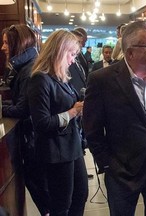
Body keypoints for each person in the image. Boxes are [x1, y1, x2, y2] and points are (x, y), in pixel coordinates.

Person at [83, 21, 146, 216]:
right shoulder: (102, 79)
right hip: (122, 173)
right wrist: (108, 164)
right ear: (130, 53)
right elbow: (92, 130)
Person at [28, 29, 89, 216]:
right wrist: (72, 112)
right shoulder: (40, 79)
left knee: (80, 195)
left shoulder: (61, 78)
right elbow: (42, 123)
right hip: (56, 151)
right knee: (61, 203)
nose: (72, 60)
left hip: (72, 146)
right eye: (71, 54)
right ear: (60, 51)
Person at [1, 24, 50, 216]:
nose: (3, 47)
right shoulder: (24, 66)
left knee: (38, 185)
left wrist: (0, 108)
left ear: (18, 44)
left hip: (33, 139)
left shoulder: (28, 70)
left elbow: (23, 108)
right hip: (32, 138)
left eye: (6, 43)